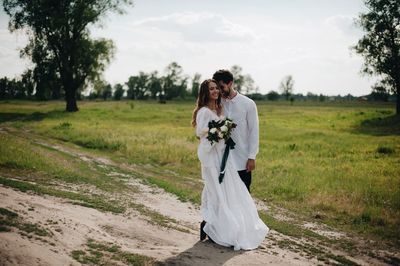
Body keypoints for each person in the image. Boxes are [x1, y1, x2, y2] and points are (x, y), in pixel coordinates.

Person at [192, 79, 268, 251]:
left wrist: (222, 131)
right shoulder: (204, 111)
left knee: (228, 192)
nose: (215, 91)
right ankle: (212, 228)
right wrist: (218, 134)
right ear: (205, 92)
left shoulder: (219, 108)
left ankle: (223, 228)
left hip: (224, 158)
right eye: (211, 89)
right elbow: (200, 133)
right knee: (215, 193)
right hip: (212, 158)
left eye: (216, 88)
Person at [212, 69, 258, 192]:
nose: (219, 91)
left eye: (221, 87)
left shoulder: (248, 104)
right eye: (217, 88)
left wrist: (252, 157)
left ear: (230, 83)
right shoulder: (216, 104)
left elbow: (254, 132)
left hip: (242, 160)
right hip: (221, 160)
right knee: (224, 196)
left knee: (244, 195)